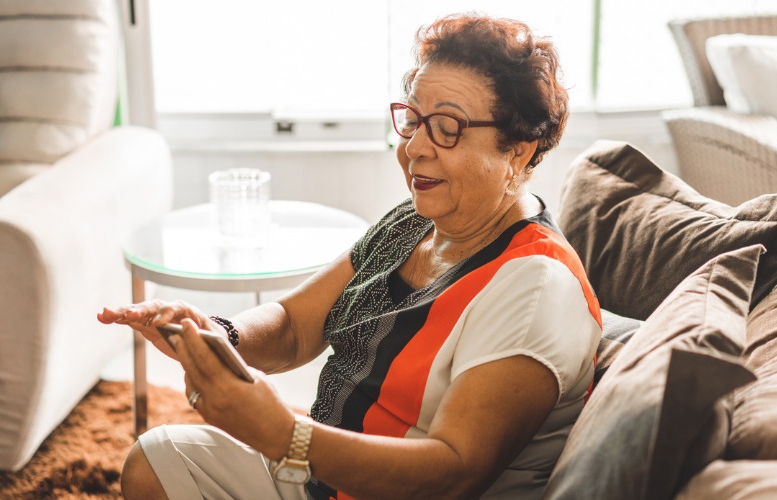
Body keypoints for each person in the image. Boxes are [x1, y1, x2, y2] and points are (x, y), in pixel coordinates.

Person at [98, 13, 601, 500]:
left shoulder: (535, 286)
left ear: (517, 150)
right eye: (414, 120)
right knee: (155, 461)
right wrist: (218, 337)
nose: (415, 149)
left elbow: (454, 472)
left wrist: (284, 435)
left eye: (447, 127)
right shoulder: (414, 221)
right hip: (327, 475)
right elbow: (295, 326)